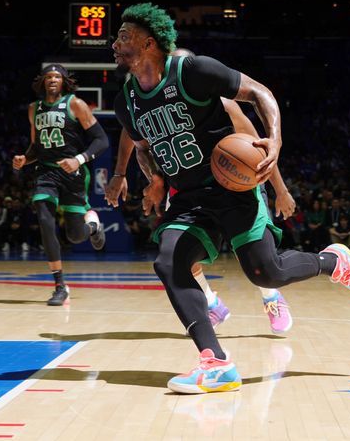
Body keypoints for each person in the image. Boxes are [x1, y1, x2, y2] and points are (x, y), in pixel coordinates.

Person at [110, 3, 350, 394]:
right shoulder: (127, 101)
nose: (115, 42)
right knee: (169, 262)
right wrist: (154, 179)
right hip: (189, 197)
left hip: (233, 189)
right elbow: (142, 147)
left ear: (149, 43)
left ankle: (332, 262)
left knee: (265, 272)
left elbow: (260, 93)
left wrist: (276, 139)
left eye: (124, 36)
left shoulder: (194, 72)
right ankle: (216, 364)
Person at [105, 48, 296, 335]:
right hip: (186, 187)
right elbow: (131, 139)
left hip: (233, 186)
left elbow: (258, 150)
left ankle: (270, 295)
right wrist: (135, 176)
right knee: (177, 252)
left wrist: (280, 190)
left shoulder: (224, 105)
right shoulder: (144, 103)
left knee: (256, 259)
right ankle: (210, 303)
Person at [12, 64, 109, 305]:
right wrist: (25, 158)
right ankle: (59, 285)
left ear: (64, 81)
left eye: (57, 76)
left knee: (75, 236)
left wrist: (78, 160)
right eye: (48, 76)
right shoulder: (34, 109)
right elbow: (36, 148)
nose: (52, 80)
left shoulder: (75, 104)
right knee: (45, 222)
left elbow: (101, 140)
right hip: (45, 173)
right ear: (43, 81)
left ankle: (93, 227)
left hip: (72, 173)